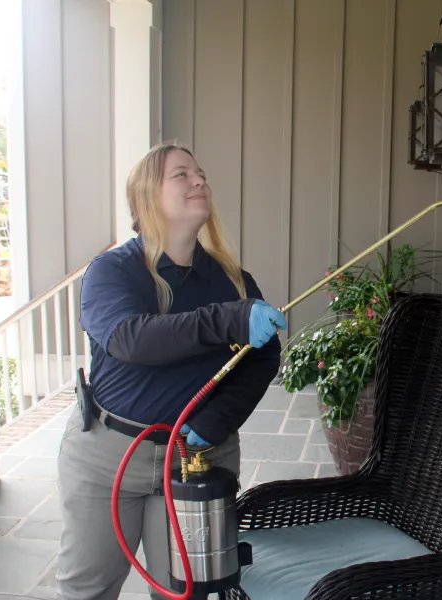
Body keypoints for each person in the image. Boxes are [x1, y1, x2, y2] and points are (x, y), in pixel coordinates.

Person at [55, 141, 286, 600]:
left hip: (196, 461)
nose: (200, 180)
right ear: (146, 197)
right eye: (182, 174)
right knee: (87, 588)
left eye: (200, 173)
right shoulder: (112, 272)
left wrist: (216, 421)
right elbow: (130, 339)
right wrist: (228, 319)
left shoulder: (231, 280)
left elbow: (262, 358)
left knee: (184, 592)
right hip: (108, 456)